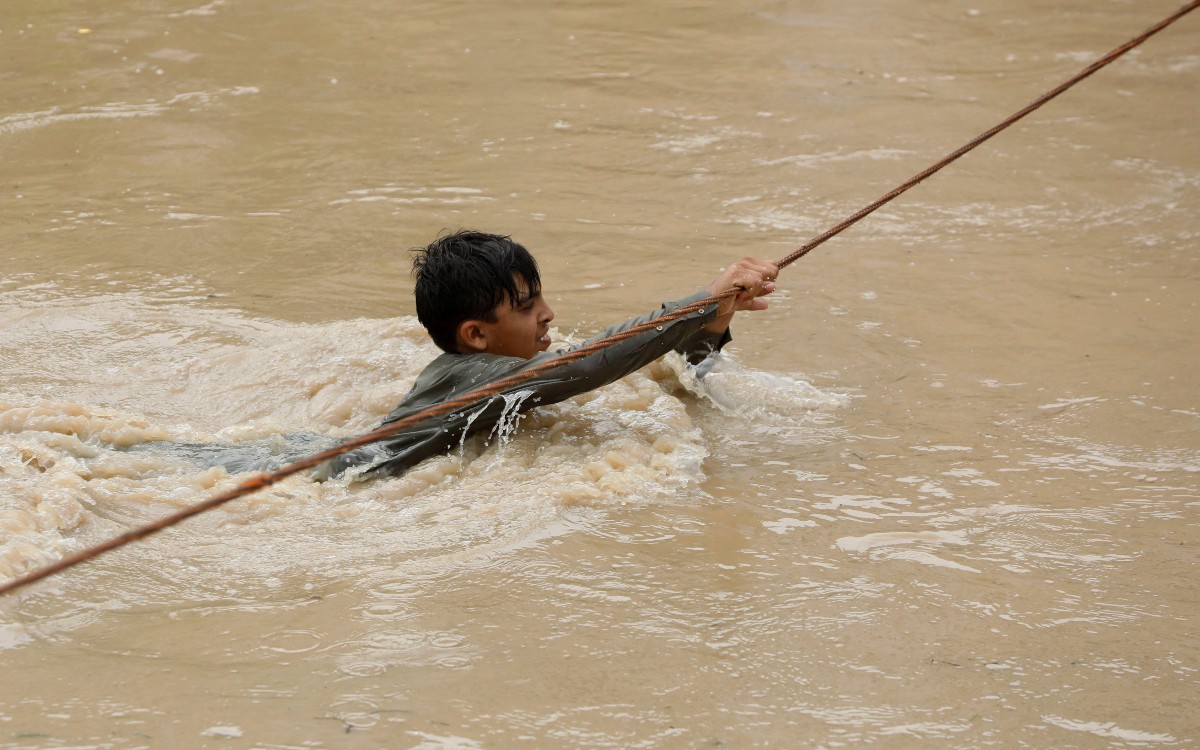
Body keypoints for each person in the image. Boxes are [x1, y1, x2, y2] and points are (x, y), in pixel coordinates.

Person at [325, 230, 778, 479]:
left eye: (540, 298)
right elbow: (589, 362)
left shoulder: (496, 369)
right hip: (344, 471)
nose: (548, 314)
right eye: (526, 307)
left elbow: (671, 375)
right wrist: (703, 301)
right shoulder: (475, 375)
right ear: (476, 335)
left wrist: (714, 318)